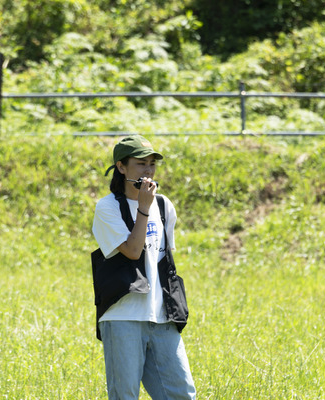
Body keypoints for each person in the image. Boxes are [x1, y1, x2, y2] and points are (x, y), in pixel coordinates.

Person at [92, 135, 196, 400]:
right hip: (122, 317)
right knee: (125, 395)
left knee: (182, 395)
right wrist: (143, 209)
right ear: (121, 167)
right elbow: (133, 251)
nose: (148, 170)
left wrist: (149, 206)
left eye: (152, 163)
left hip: (162, 316)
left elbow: (163, 259)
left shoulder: (164, 205)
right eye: (141, 163)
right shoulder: (107, 208)